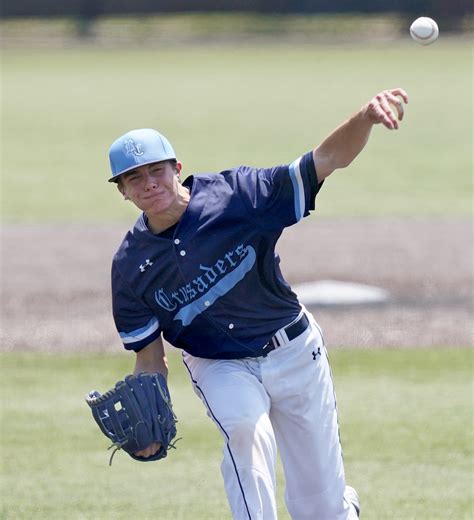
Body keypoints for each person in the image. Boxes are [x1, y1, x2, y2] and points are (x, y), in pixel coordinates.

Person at [108, 88, 408, 519]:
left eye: (157, 170)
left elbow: (324, 161)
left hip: (295, 352)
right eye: (134, 178)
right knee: (245, 431)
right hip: (219, 365)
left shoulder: (239, 196)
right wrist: (150, 404)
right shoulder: (130, 266)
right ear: (122, 191)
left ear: (178, 168)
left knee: (319, 506)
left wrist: (364, 117)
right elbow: (150, 357)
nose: (149, 183)